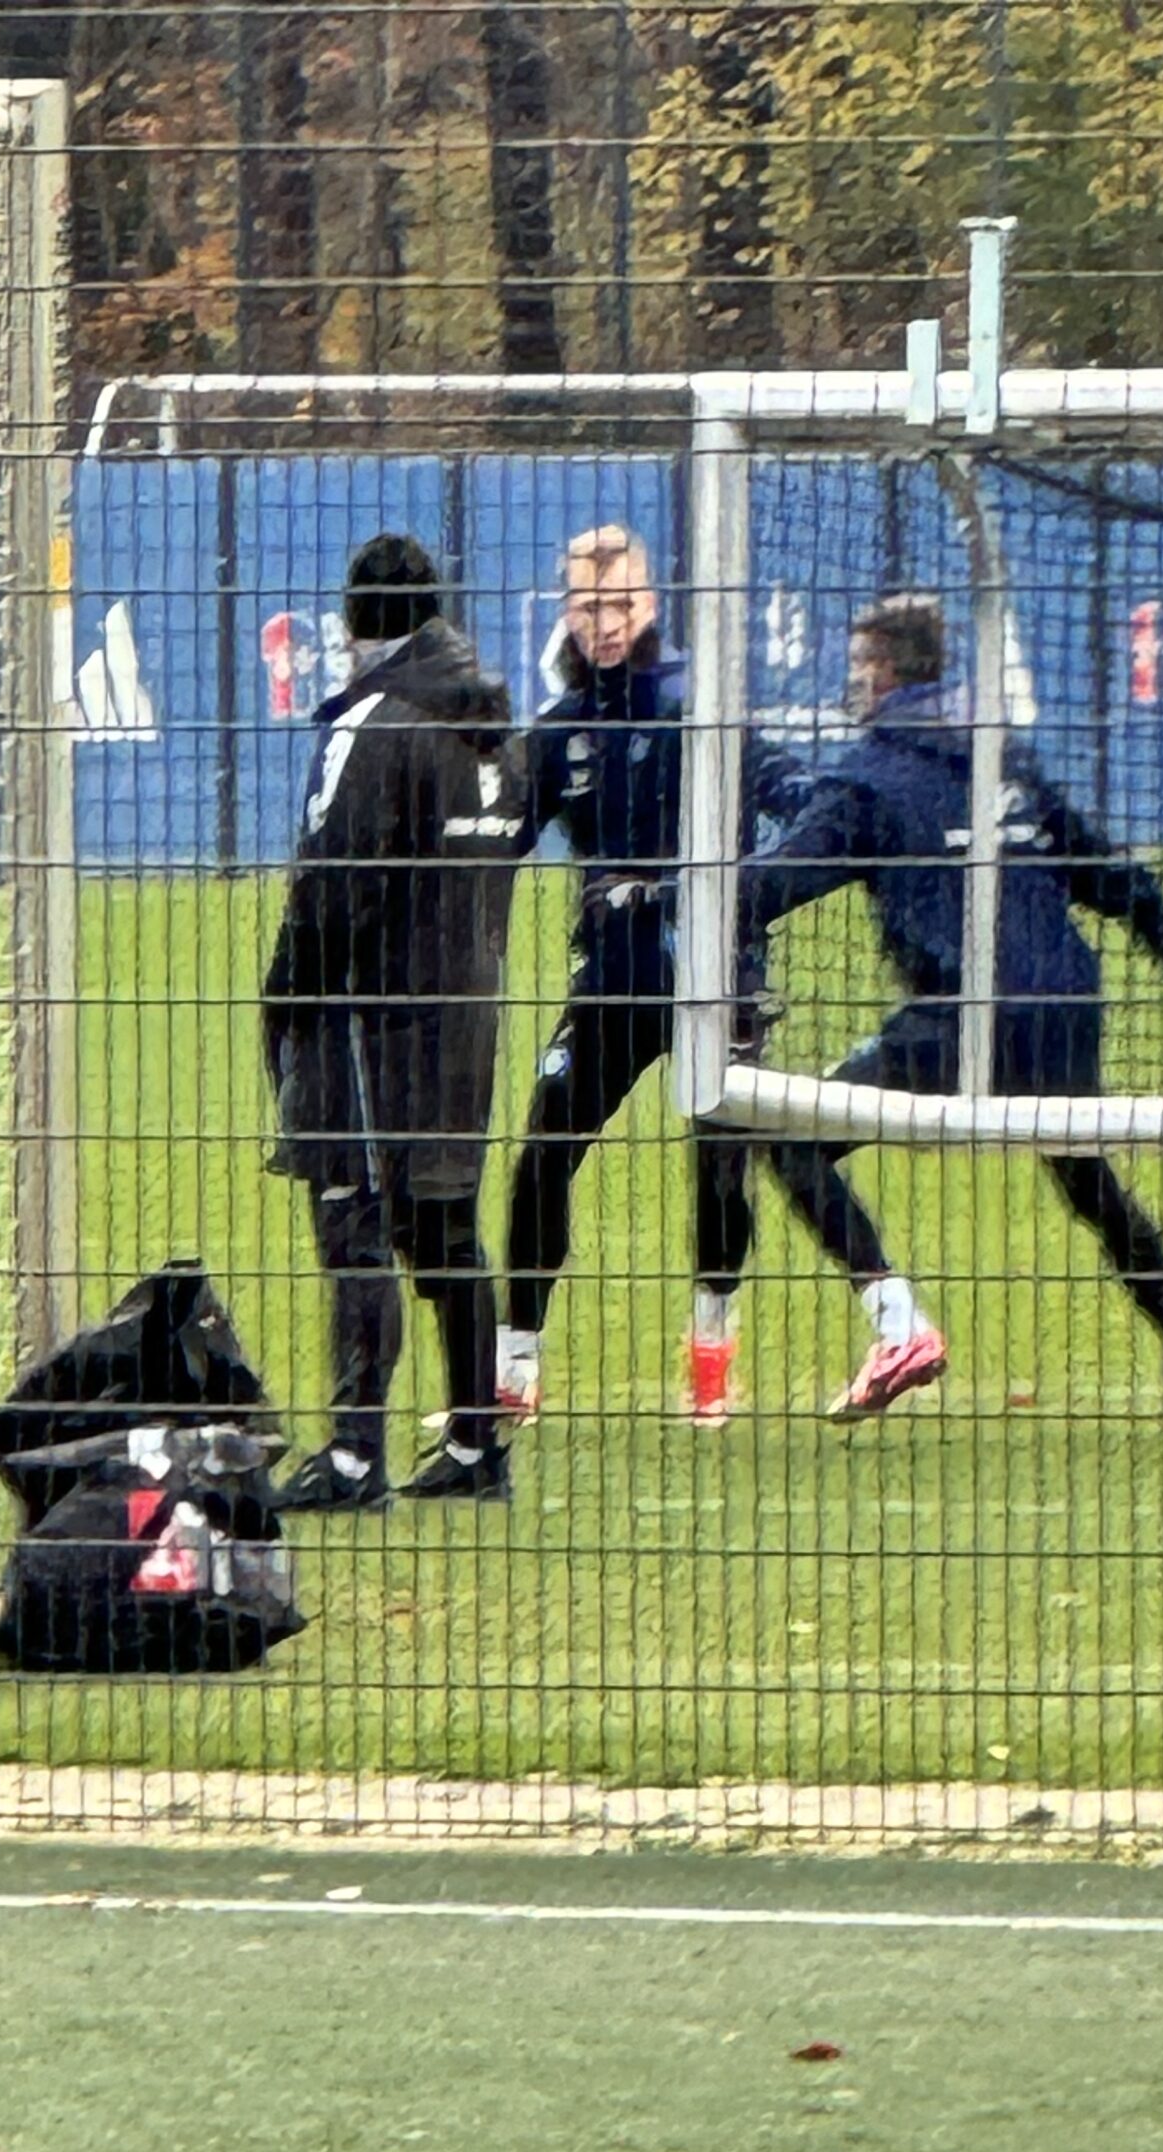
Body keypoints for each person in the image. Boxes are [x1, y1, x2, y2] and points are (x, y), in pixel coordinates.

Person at [739, 593, 1163, 1427]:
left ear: (883, 673)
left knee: (790, 1138)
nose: (853, 686)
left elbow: (776, 884)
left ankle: (899, 1325)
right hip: (1067, 1005)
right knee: (1086, 1176)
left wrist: (676, 896)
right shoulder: (1007, 761)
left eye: (858, 669)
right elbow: (1113, 879)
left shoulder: (870, 777)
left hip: (966, 1017)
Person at [497, 522, 790, 1429]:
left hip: (710, 977)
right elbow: (501, 837)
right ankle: (514, 1374)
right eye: (589, 607)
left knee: (718, 1170)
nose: (606, 623)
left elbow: (782, 791)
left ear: (651, 602)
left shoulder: (695, 701)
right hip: (610, 983)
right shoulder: (560, 729)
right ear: (567, 612)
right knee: (543, 1156)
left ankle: (711, 1360)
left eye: (621, 603)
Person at [263, 533, 521, 1507]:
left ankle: (355, 1455)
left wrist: (289, 990)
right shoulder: (492, 725)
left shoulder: (375, 720)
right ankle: (474, 1446)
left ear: (357, 623)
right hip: (468, 1012)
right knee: (446, 1227)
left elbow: (332, 884)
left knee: (355, 1222)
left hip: (374, 1018)